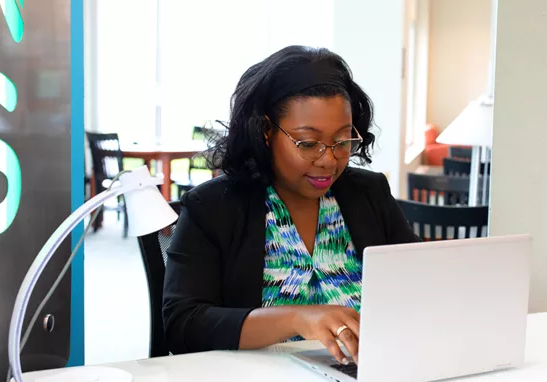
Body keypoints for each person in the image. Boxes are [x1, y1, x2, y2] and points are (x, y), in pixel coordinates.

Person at [163, 45, 418, 365]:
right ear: (266, 131)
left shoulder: (368, 193)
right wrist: (298, 319)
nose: (329, 160)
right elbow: (182, 325)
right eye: (308, 143)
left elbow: (417, 281)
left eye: (342, 141)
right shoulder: (213, 207)